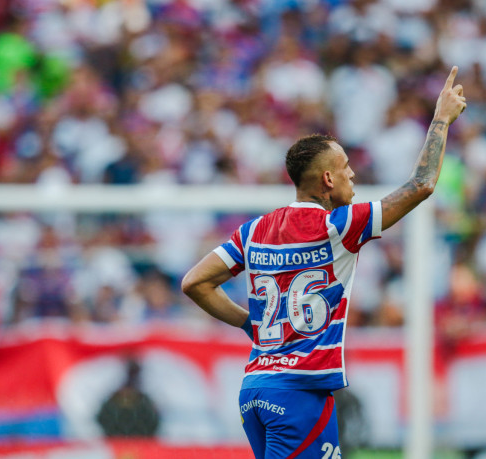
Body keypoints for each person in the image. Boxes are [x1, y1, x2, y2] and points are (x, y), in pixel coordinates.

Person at [182, 66, 466, 458]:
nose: (353, 173)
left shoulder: (254, 230)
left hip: (255, 389)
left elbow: (194, 283)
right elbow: (421, 185)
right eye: (346, 166)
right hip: (300, 393)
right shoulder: (339, 226)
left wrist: (251, 324)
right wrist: (441, 120)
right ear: (328, 179)